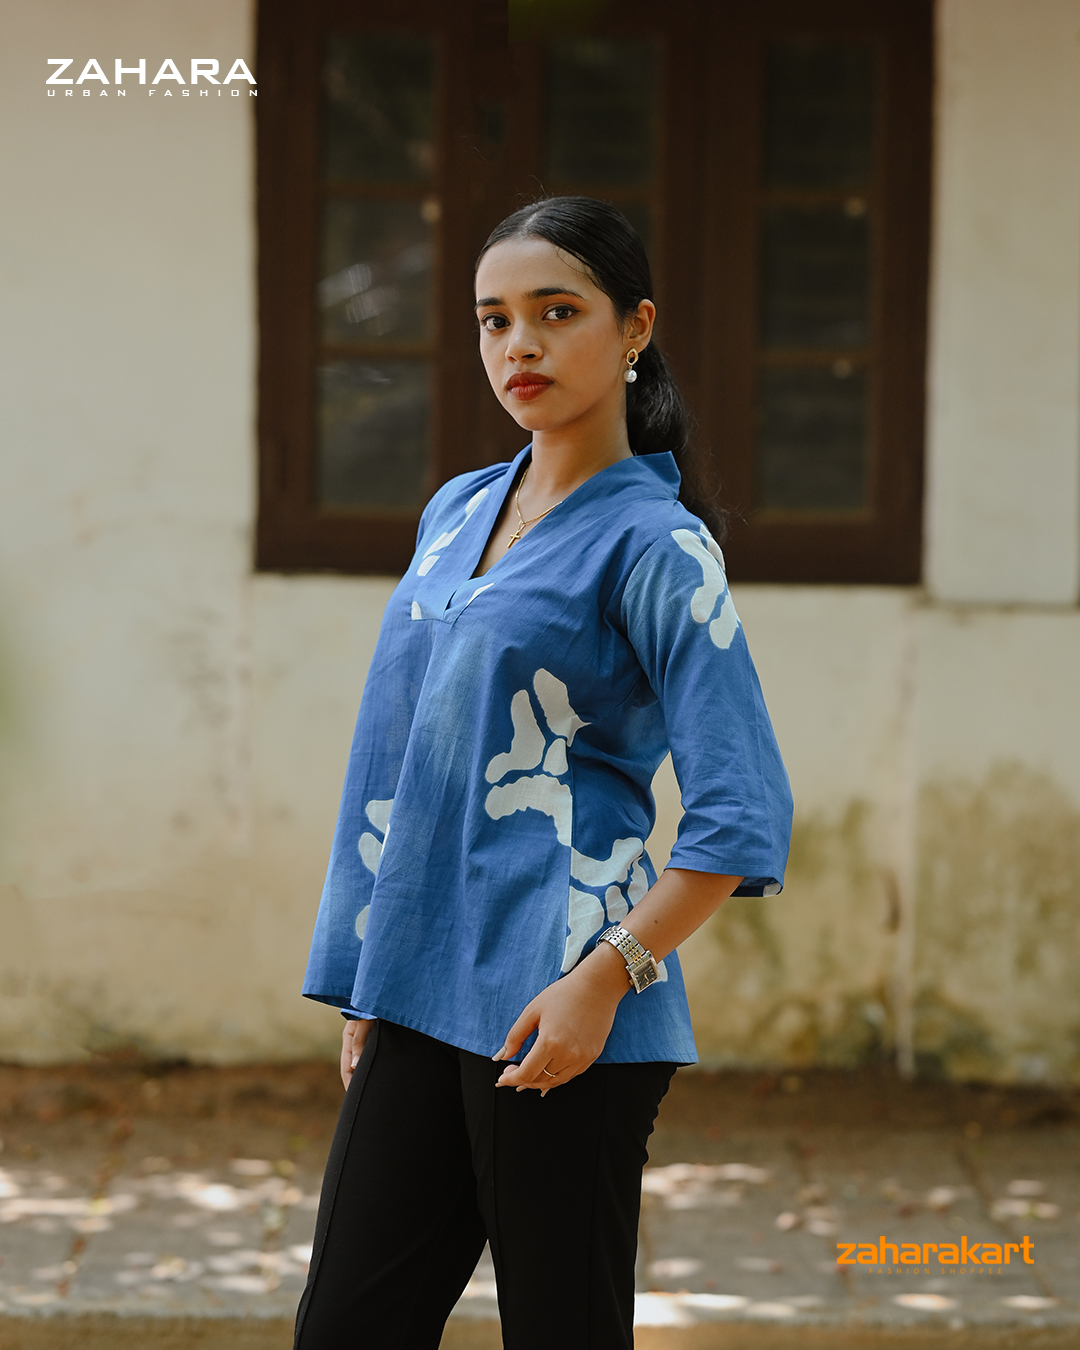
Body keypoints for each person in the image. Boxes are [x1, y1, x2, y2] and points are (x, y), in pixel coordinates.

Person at [294, 196, 792, 1350]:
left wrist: (604, 982)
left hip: (559, 1004)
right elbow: (399, 759)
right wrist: (373, 970)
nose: (517, 345)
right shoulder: (456, 510)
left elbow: (740, 809)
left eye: (555, 313)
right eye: (493, 320)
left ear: (633, 330)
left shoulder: (657, 545)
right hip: (417, 992)